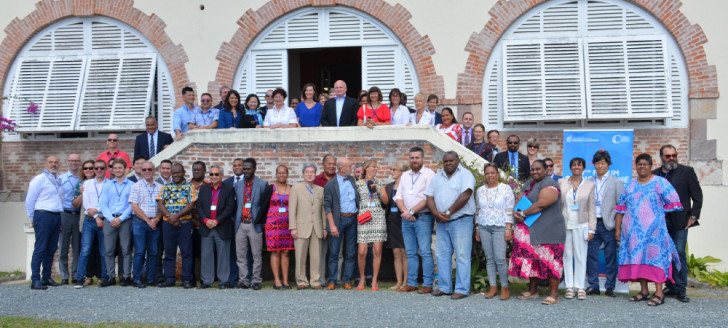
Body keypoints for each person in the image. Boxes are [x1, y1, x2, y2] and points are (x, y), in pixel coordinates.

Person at [615, 154, 683, 306]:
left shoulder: (660, 182)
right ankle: (644, 291)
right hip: (633, 233)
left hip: (654, 233)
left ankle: (659, 293)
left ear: (651, 166)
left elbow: (673, 201)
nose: (642, 167)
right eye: (639, 164)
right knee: (639, 260)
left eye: (645, 164)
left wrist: (655, 216)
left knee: (656, 260)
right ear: (636, 166)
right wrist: (618, 229)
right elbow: (621, 208)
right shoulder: (630, 185)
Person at [511, 160, 566, 305]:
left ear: (546, 170)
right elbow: (520, 200)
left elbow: (542, 203)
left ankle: (554, 294)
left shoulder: (551, 184)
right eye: (532, 169)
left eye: (538, 169)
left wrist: (522, 214)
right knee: (533, 260)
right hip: (531, 230)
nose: (535, 172)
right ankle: (533, 290)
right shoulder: (529, 184)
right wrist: (517, 212)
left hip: (549, 230)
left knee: (552, 262)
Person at [652, 145, 703, 303]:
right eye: (668, 156)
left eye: (674, 155)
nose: (672, 158)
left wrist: (694, 216)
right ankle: (670, 285)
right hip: (659, 222)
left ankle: (681, 288)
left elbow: (697, 195)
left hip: (680, 221)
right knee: (663, 255)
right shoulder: (654, 175)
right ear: (661, 157)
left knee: (679, 253)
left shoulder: (686, 172)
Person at [425, 151, 476, 299]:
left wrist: (448, 212)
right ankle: (444, 287)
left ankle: (462, 289)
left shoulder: (465, 175)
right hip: (442, 222)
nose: (448, 163)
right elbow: (429, 197)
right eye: (445, 161)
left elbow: (466, 195)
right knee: (442, 255)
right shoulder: (437, 177)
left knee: (461, 255)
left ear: (458, 161)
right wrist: (436, 213)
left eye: (451, 161)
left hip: (461, 220)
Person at [394, 147, 436, 293]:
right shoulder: (405, 175)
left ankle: (427, 284)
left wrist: (412, 211)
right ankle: (411, 283)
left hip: (423, 218)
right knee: (410, 252)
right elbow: (398, 196)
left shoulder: (429, 174)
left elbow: (428, 197)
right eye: (412, 158)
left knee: (424, 252)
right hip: (407, 219)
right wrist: (406, 212)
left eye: (417, 158)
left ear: (422, 158)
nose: (414, 160)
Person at [558, 157, 596, 300]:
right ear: (570, 167)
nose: (576, 167)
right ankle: (569, 287)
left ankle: (580, 287)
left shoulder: (589, 185)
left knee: (581, 256)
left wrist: (592, 229)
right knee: (567, 255)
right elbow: (558, 205)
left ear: (583, 168)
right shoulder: (562, 182)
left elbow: (591, 209)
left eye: (579, 165)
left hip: (582, 224)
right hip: (565, 224)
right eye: (574, 165)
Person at [474, 163, 514, 300]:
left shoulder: (506, 189)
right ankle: (492, 287)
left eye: (492, 172)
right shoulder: (480, 190)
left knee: (500, 259)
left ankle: (504, 287)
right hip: (484, 227)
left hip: (500, 227)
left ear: (498, 174)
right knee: (489, 259)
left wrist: (508, 228)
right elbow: (478, 210)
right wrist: (477, 228)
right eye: (487, 173)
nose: (490, 175)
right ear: (484, 176)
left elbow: (510, 209)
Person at [586, 150, 623, 297]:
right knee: (592, 255)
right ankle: (593, 285)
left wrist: (618, 228)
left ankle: (610, 287)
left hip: (609, 223)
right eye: (597, 163)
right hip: (593, 224)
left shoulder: (616, 182)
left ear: (608, 164)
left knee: (610, 255)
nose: (600, 166)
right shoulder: (588, 182)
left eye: (603, 163)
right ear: (594, 165)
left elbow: (621, 206)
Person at [157, 163, 198, 288]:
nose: (175, 175)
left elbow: (191, 205)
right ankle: (169, 278)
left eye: (178, 172)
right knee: (169, 253)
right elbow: (160, 203)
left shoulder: (190, 187)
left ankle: (186, 279)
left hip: (184, 224)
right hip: (168, 224)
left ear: (183, 172)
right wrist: (170, 217)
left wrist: (177, 216)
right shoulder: (166, 186)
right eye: (173, 173)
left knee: (186, 253)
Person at [26, 156, 64, 290]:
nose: (53, 164)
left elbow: (59, 199)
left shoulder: (58, 180)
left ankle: (46, 277)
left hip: (55, 216)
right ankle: (35, 279)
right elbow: (30, 200)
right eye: (50, 162)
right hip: (42, 215)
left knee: (52, 248)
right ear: (45, 164)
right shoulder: (39, 179)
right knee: (41, 248)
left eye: (56, 162)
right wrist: (33, 218)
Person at [196, 165, 236, 289]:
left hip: (222, 226)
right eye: (211, 174)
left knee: (223, 255)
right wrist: (205, 220)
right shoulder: (203, 189)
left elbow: (230, 207)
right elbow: (199, 206)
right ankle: (206, 280)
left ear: (222, 176)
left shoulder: (229, 189)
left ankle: (223, 281)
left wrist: (217, 221)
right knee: (206, 255)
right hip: (206, 227)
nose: (213, 177)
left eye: (216, 174)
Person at [323, 158, 360, 290]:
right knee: (334, 252)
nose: (352, 168)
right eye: (349, 166)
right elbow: (327, 207)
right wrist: (332, 225)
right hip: (339, 220)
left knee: (351, 252)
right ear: (341, 168)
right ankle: (332, 280)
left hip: (353, 219)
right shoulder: (330, 185)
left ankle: (347, 280)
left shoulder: (352, 180)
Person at [289, 163, 327, 289]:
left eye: (312, 172)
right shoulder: (296, 189)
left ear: (315, 174)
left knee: (316, 256)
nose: (310, 174)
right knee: (300, 256)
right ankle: (301, 281)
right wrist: (293, 227)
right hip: (301, 228)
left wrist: (324, 227)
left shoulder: (320, 190)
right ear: (303, 174)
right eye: (307, 172)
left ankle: (315, 281)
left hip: (316, 227)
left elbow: (323, 211)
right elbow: (292, 210)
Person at [98, 158, 134, 287]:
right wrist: (111, 218)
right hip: (110, 220)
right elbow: (103, 203)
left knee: (126, 250)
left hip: (125, 220)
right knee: (109, 250)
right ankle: (110, 276)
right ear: (112, 170)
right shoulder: (107, 185)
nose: (117, 170)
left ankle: (126, 277)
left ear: (125, 169)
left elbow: (132, 205)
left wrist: (121, 218)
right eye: (115, 168)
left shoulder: (131, 185)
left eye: (120, 168)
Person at [354, 160, 388, 291]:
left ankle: (374, 280)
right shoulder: (358, 184)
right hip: (363, 217)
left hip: (378, 217)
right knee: (362, 251)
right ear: (366, 169)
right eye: (373, 167)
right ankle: (362, 278)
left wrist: (377, 191)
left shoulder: (379, 183)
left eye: (376, 167)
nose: (376, 169)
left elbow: (385, 201)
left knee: (377, 250)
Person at [234, 158, 268, 290]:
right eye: (245, 168)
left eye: (249, 168)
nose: (246, 171)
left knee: (256, 255)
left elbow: (264, 206)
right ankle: (244, 280)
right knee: (241, 255)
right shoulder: (238, 185)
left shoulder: (262, 184)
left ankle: (256, 280)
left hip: (255, 224)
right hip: (240, 224)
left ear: (254, 169)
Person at [75, 159, 109, 288]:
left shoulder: (109, 184)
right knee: (85, 250)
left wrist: (99, 210)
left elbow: (109, 202)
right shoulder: (87, 183)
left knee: (103, 251)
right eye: (97, 168)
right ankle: (80, 278)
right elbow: (86, 202)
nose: (99, 170)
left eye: (101, 168)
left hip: (104, 220)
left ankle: (104, 277)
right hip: (90, 220)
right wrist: (95, 216)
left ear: (105, 170)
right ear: (94, 170)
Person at [260, 165, 295, 289]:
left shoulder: (292, 189)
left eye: (284, 173)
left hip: (287, 225)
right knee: (275, 252)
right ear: (276, 174)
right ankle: (277, 281)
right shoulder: (270, 188)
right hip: (272, 225)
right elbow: (263, 205)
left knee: (286, 252)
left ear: (287, 174)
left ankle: (285, 281)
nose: (281, 175)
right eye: (279, 173)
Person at [128, 161, 163, 288]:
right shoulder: (136, 186)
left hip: (155, 222)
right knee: (139, 251)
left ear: (154, 171)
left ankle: (150, 278)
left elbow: (162, 207)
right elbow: (134, 206)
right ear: (141, 171)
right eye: (144, 170)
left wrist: (157, 219)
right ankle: (137, 278)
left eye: (150, 169)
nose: (147, 172)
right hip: (140, 222)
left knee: (154, 252)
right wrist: (147, 220)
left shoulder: (160, 187)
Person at [314, 154, 338, 286]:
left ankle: (336, 279)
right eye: (329, 163)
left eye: (334, 164)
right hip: (320, 221)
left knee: (337, 253)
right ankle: (321, 280)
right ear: (323, 165)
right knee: (321, 253)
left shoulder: (340, 180)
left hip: (337, 221)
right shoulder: (317, 180)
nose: (331, 166)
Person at [59, 154, 82, 284]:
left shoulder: (83, 179)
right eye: (71, 160)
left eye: (76, 160)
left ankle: (75, 275)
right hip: (65, 214)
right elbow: (57, 199)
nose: (74, 163)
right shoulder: (61, 179)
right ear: (67, 162)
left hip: (79, 216)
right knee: (63, 247)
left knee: (77, 247)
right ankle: (63, 276)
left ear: (80, 162)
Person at [385, 160, 409, 290]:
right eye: (391, 169)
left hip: (403, 221)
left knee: (405, 252)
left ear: (402, 172)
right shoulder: (389, 187)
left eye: (394, 169)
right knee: (396, 253)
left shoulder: (406, 187)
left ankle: (406, 282)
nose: (392, 172)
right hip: (392, 222)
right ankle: (398, 282)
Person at [189, 161, 208, 284]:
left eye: (199, 170)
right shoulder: (187, 185)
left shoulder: (209, 185)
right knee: (189, 253)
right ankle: (190, 278)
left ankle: (204, 278)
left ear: (204, 171)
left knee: (204, 253)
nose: (196, 172)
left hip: (204, 224)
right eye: (194, 170)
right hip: (189, 224)